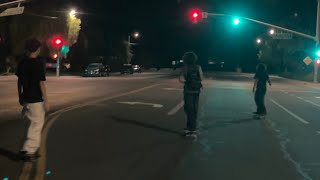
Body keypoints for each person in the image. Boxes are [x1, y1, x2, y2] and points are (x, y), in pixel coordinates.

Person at [16, 38, 49, 161]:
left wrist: (20, 96)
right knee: (37, 124)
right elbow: (41, 83)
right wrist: (46, 101)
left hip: (26, 98)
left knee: (31, 123)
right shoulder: (37, 64)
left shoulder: (22, 62)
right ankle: (29, 150)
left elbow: (19, 81)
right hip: (35, 99)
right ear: (37, 49)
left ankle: (26, 148)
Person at [179, 51, 203, 137]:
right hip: (197, 90)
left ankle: (192, 129)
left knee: (188, 109)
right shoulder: (198, 67)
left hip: (188, 91)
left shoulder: (185, 68)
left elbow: (181, 79)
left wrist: (186, 81)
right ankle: (190, 127)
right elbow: (202, 78)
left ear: (185, 59)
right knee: (194, 109)